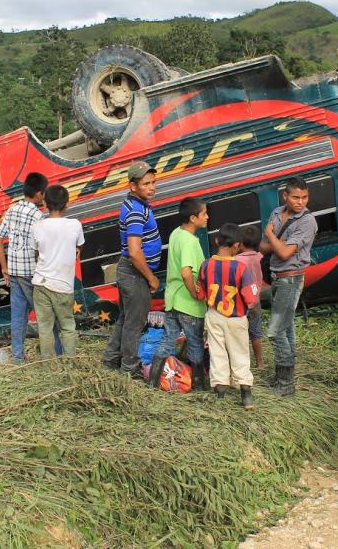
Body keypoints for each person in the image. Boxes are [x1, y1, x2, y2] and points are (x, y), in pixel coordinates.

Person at [103, 161, 162, 378]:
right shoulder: (136, 211)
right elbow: (135, 252)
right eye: (146, 184)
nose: (152, 187)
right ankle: (130, 369)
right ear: (133, 186)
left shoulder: (137, 205)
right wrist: (151, 278)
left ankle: (110, 361)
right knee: (134, 323)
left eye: (153, 182)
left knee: (126, 319)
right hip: (135, 273)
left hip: (130, 270)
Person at [261, 177, 317, 397]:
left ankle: (285, 384)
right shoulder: (276, 212)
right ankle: (286, 379)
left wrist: (270, 235)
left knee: (275, 331)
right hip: (277, 277)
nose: (300, 202)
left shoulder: (307, 221)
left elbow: (284, 253)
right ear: (285, 196)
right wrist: (277, 244)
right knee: (286, 329)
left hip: (291, 279)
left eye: (304, 197)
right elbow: (263, 248)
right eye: (296, 197)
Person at [197, 223, 260, 409]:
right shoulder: (240, 268)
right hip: (236, 318)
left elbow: (200, 293)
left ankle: (220, 394)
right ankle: (246, 395)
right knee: (240, 352)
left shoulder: (205, 265)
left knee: (217, 352)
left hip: (214, 315)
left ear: (217, 240)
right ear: (237, 245)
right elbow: (250, 297)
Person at [151, 197, 208, 389]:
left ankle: (153, 382)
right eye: (204, 214)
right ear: (193, 218)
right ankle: (199, 385)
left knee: (168, 340)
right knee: (195, 343)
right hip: (188, 303)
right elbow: (186, 272)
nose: (207, 217)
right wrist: (194, 293)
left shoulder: (176, 233)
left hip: (173, 299)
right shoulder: (190, 241)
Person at [0, 172, 48, 363]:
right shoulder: (38, 216)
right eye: (44, 193)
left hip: (14, 273)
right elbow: (40, 247)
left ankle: (18, 357)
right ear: (39, 194)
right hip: (31, 274)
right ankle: (53, 353)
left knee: (18, 316)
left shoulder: (12, 209)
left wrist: (4, 267)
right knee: (45, 315)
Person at [31, 184, 85, 360]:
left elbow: (35, 252)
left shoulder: (37, 226)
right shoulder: (75, 225)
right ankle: (70, 364)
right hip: (63, 286)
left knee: (45, 328)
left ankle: (49, 366)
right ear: (66, 204)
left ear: (45, 204)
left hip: (41, 284)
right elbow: (79, 247)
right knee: (68, 327)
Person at [237, 224, 265, 369]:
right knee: (256, 333)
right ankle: (260, 362)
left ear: (240, 243)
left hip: (241, 302)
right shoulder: (260, 257)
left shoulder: (236, 260)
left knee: (240, 334)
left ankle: (244, 364)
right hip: (255, 301)